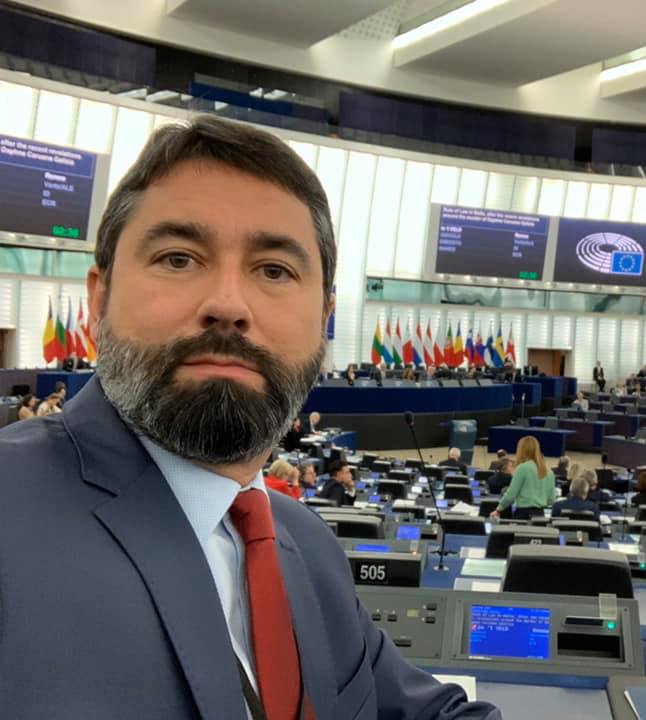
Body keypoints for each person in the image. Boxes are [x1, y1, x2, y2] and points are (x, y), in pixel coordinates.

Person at [0, 116, 496, 718]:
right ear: (99, 298)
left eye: (274, 270)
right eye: (179, 258)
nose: (228, 305)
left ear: (324, 319)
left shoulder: (308, 547)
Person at [490, 435, 555, 520]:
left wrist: (498, 509)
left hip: (523, 515)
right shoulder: (549, 472)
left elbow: (511, 494)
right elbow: (551, 499)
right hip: (540, 516)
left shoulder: (522, 468)